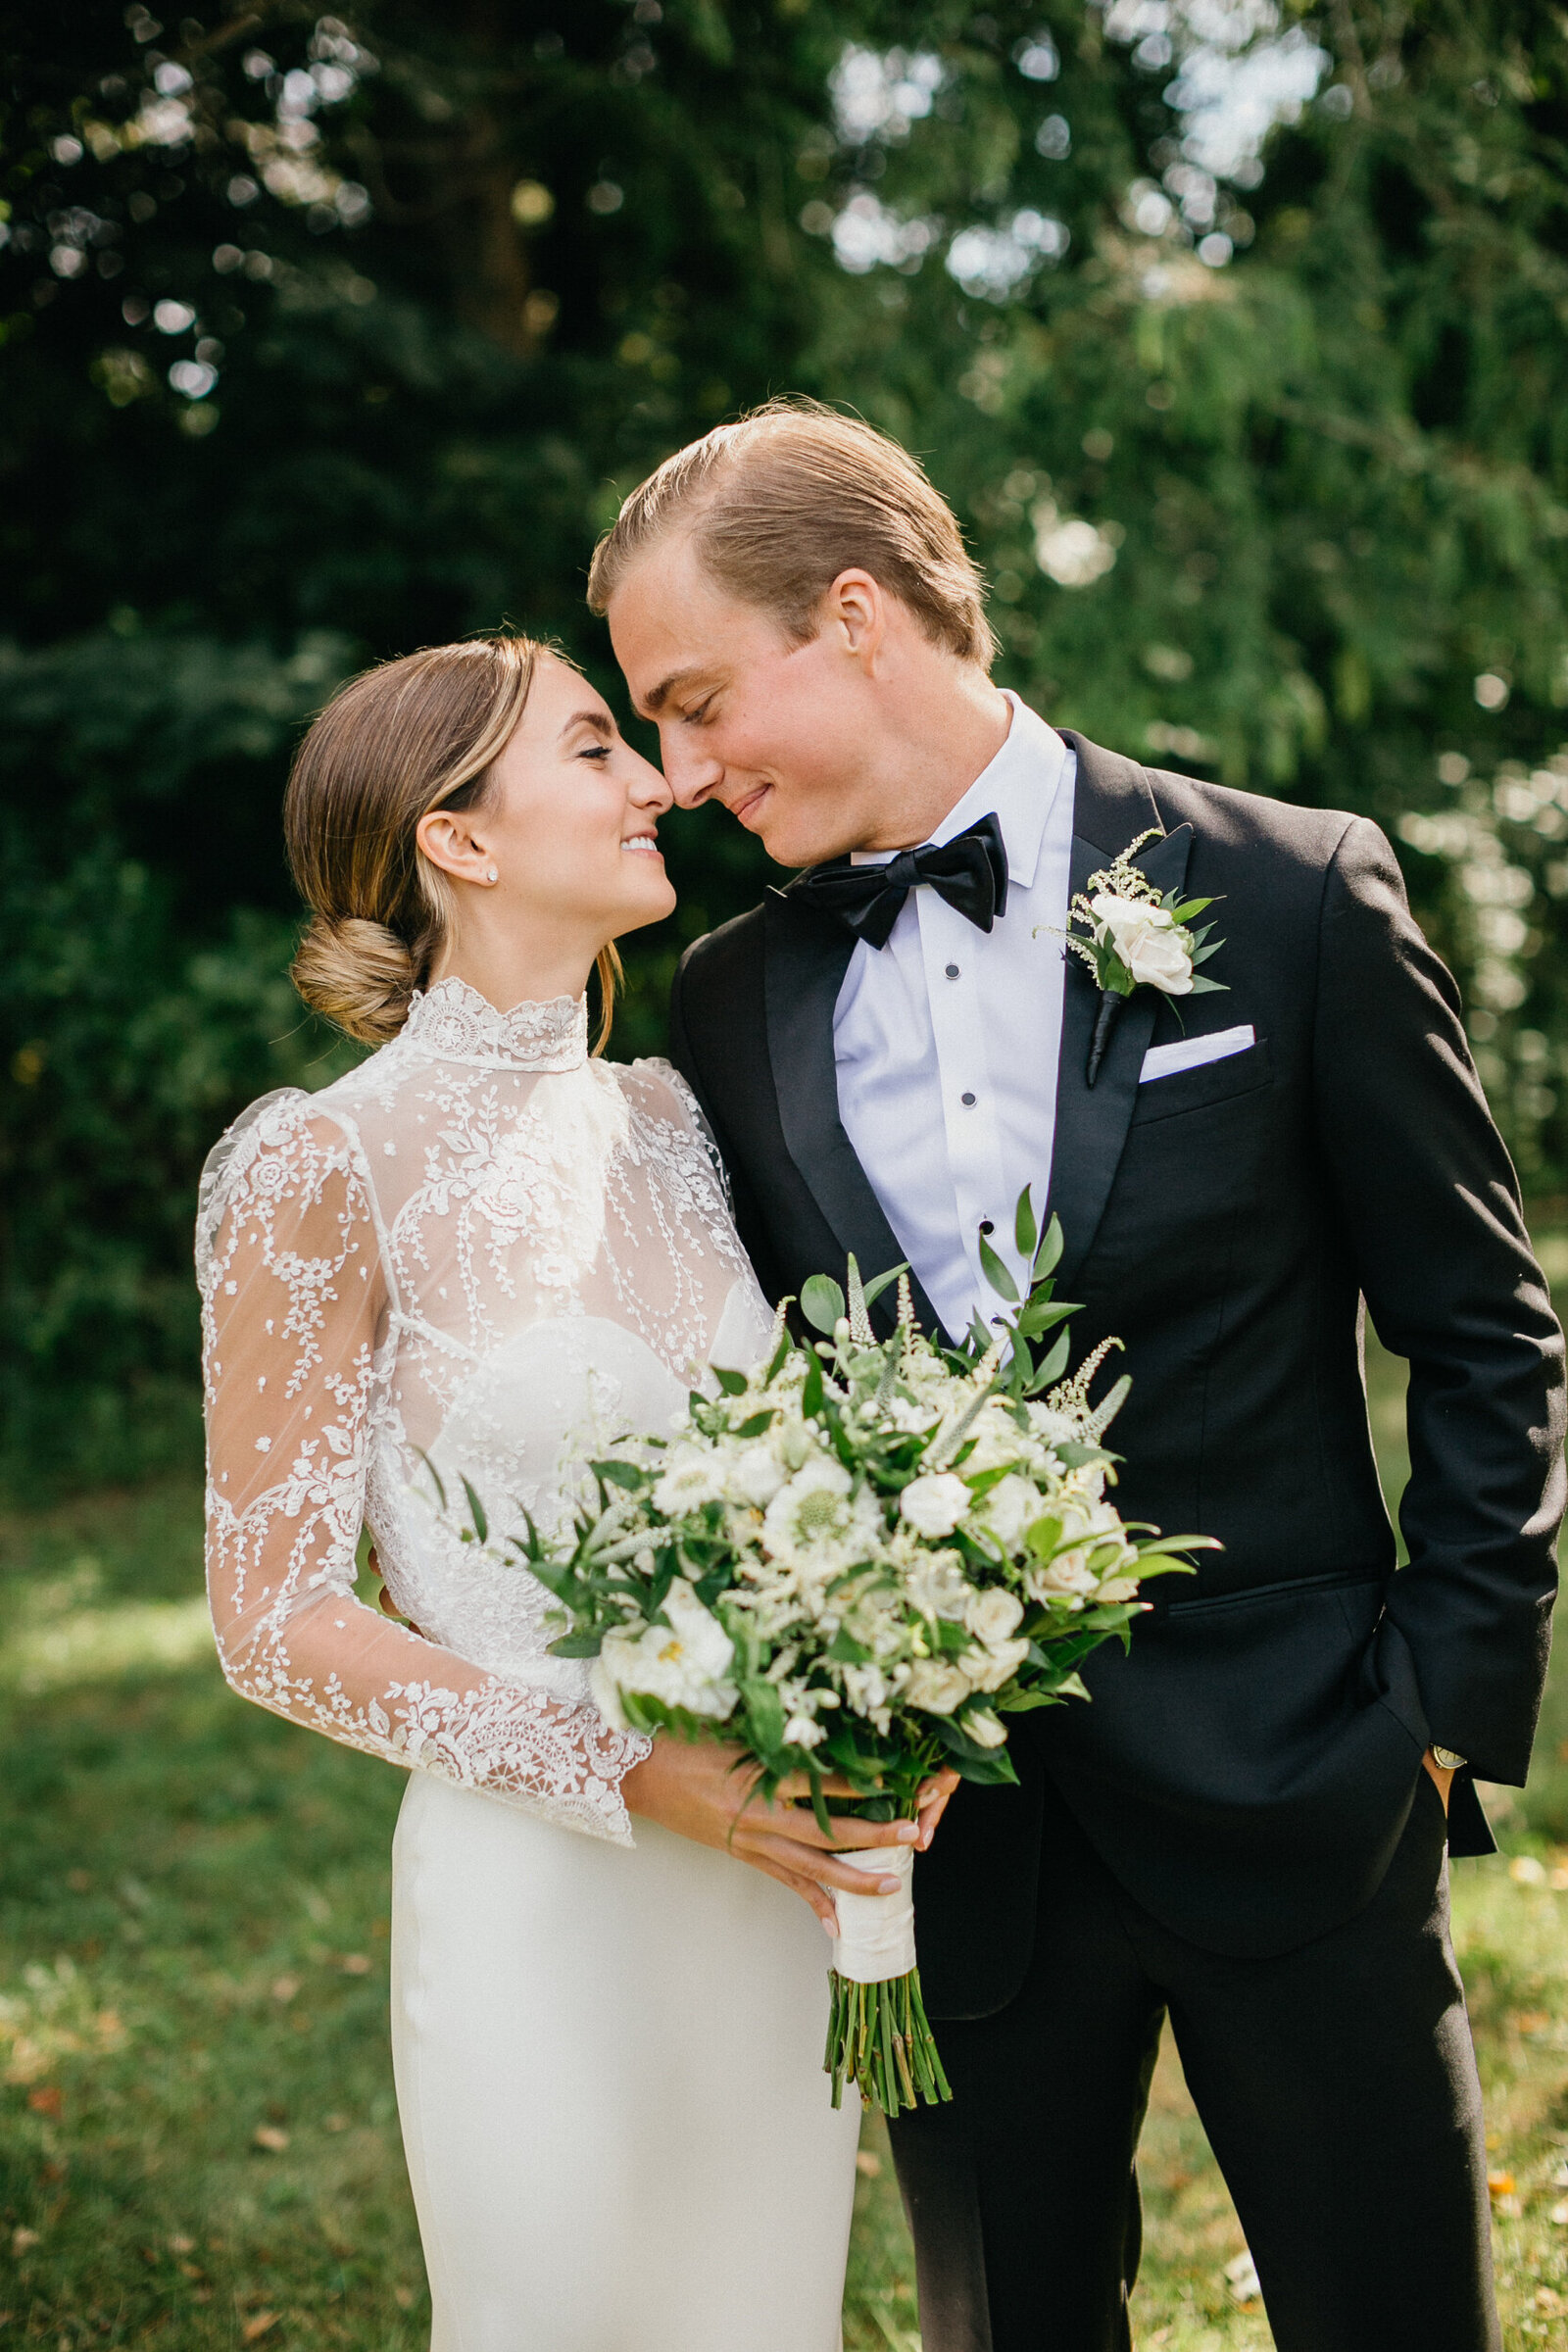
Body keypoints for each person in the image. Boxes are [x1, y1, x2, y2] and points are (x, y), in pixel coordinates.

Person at [592, 398, 1568, 2352]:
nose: (679, 776)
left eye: (697, 703)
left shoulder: (1289, 891)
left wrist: (1435, 1718)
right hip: (950, 1838)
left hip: (1303, 1772)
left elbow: (1478, 1328)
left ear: (851, 615)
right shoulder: (727, 998)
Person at [195, 634, 955, 2352]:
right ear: (458, 839)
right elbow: (277, 1624)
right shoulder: (318, 1164)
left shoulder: (675, 1116)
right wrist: (637, 1771)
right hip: (546, 1886)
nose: (661, 782)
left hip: (770, 1884)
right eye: (599, 746)